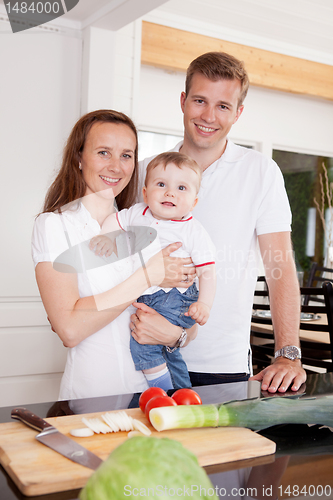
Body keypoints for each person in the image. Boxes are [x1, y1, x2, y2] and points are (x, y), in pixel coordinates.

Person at [132, 51, 307, 393]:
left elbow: (280, 266)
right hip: (143, 354)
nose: (208, 116)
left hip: (221, 364)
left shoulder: (260, 171)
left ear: (238, 112)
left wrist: (288, 353)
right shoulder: (144, 171)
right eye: (199, 100)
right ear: (183, 101)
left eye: (223, 106)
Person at [31, 109, 197, 400]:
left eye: (126, 155)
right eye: (104, 152)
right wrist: (147, 277)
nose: (117, 167)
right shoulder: (54, 226)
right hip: (93, 397)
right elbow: (69, 328)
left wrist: (174, 335)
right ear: (79, 157)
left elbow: (187, 315)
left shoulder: (146, 225)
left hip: (154, 395)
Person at [89, 151, 216, 390]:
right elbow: (114, 221)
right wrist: (107, 237)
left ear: (194, 202)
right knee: (162, 349)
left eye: (181, 188)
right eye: (161, 184)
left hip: (175, 297)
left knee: (143, 344)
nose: (170, 192)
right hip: (146, 293)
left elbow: (208, 272)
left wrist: (205, 304)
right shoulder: (138, 213)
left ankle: (164, 391)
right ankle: (180, 393)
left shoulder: (192, 230)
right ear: (146, 193)